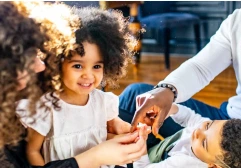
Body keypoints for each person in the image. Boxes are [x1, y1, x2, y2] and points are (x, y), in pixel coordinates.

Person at [119, 1, 241, 168]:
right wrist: (167, 90)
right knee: (137, 97)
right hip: (228, 122)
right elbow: (201, 68)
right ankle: (141, 154)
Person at [0, 2, 147, 168]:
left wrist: (127, 132)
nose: (41, 66)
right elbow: (33, 153)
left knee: (138, 90)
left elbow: (98, 132)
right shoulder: (44, 108)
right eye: (77, 66)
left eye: (97, 66)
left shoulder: (102, 100)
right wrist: (98, 155)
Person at [134, 104, 241, 168]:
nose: (198, 132)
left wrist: (139, 145)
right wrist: (170, 109)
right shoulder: (207, 130)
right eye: (208, 125)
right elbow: (189, 117)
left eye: (204, 143)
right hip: (156, 149)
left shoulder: (184, 164)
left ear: (213, 166)